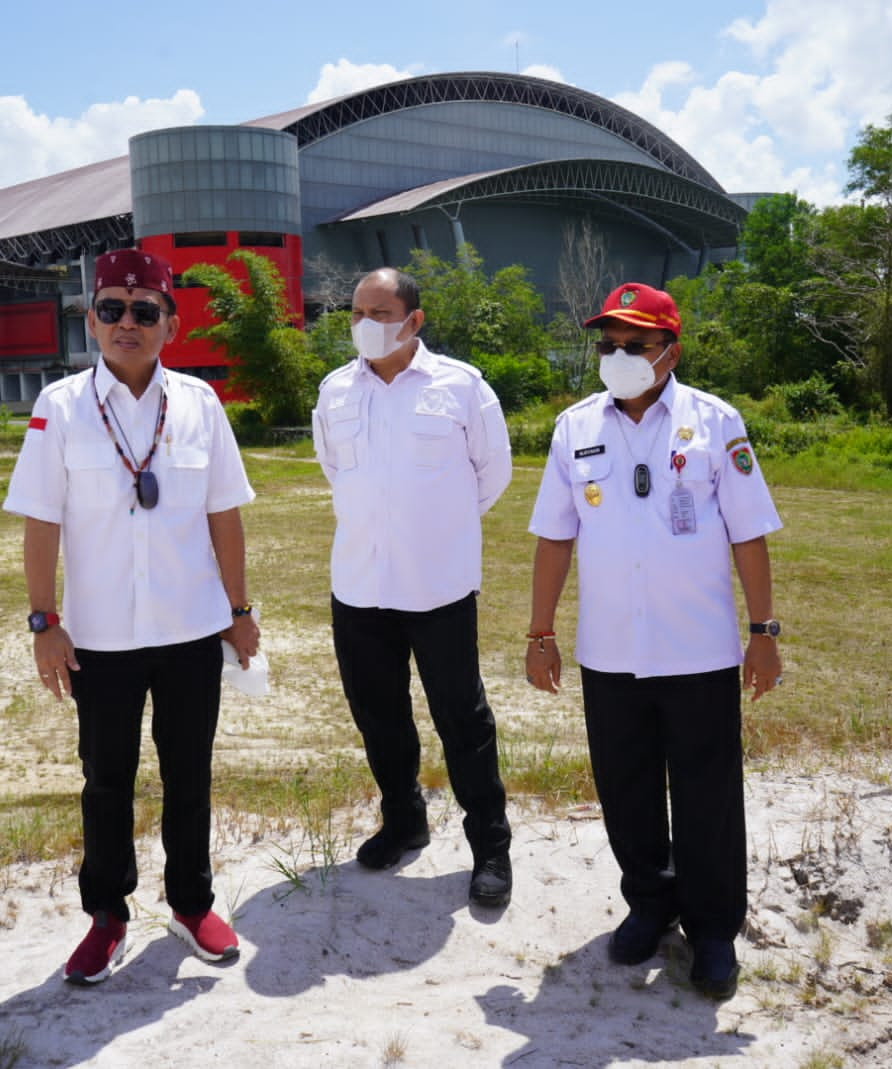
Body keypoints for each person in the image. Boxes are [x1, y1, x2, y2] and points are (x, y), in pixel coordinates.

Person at [3, 248, 257, 983]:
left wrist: (239, 612)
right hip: (100, 639)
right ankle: (107, 914)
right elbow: (41, 521)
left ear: (170, 325)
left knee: (190, 774)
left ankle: (191, 903)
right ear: (92, 320)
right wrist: (43, 621)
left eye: (145, 311)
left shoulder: (200, 404)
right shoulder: (61, 406)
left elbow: (225, 517)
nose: (127, 322)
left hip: (189, 631)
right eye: (111, 308)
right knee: (106, 779)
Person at [525, 281, 782, 1000]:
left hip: (696, 649)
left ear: (669, 350)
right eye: (606, 344)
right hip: (609, 650)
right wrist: (540, 630)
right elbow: (554, 534)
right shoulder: (575, 426)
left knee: (707, 795)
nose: (616, 356)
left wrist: (763, 631)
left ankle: (710, 930)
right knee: (626, 788)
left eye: (632, 345)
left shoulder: (714, 421)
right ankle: (649, 898)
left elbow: (749, 530)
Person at [312, 267, 515, 907]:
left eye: (379, 313)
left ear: (413, 320)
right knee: (380, 717)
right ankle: (403, 821)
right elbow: (333, 470)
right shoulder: (335, 391)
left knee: (463, 718)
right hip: (360, 587)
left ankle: (490, 845)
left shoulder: (462, 387)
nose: (364, 325)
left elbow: (493, 475)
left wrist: (435, 529)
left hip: (440, 587)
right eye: (355, 313)